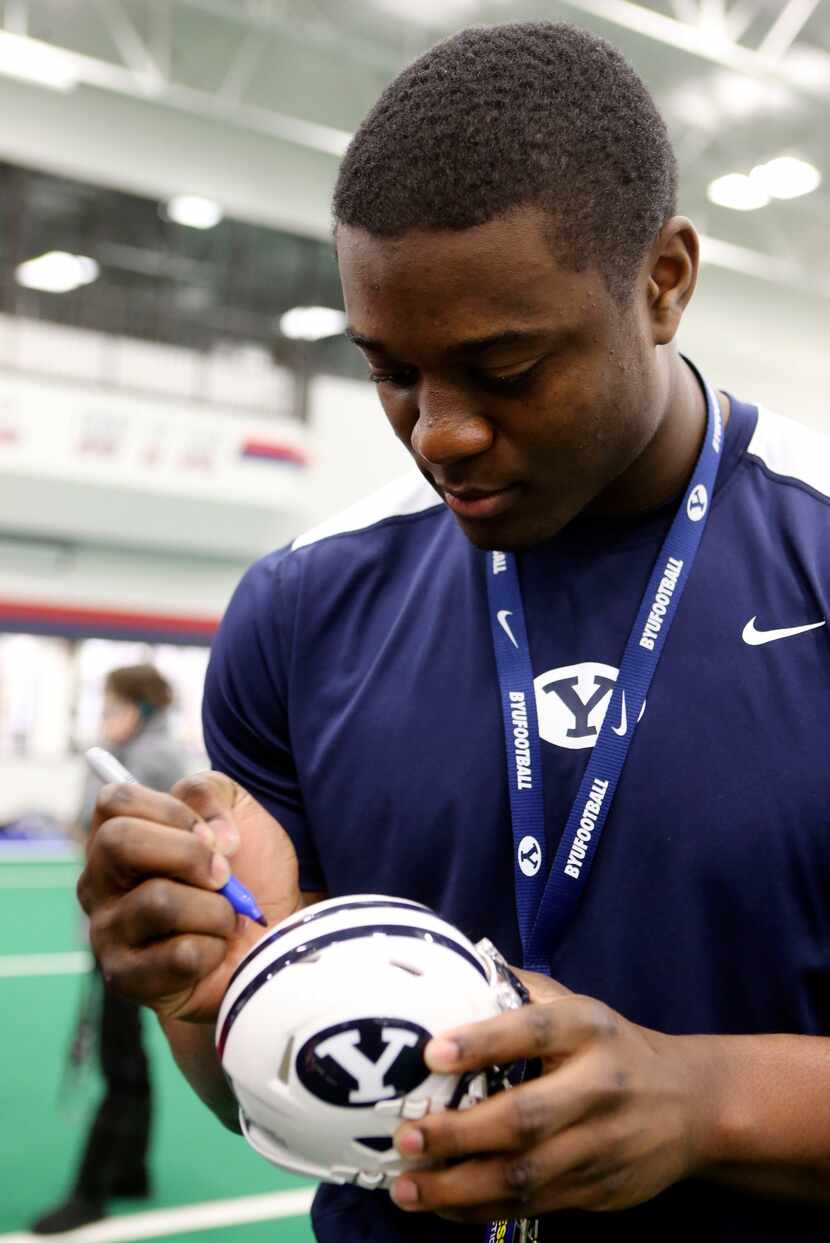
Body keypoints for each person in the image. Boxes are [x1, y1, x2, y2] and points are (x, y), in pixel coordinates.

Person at [77, 22, 830, 1243]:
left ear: (662, 281)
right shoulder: (303, 607)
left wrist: (707, 1102)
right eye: (390, 372)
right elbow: (258, 1084)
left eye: (506, 366)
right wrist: (208, 985)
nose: (438, 434)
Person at [33, 664, 190, 1235]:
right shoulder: (162, 756)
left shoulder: (139, 761)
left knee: (118, 1064)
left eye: (112, 705)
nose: (104, 717)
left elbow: (95, 832)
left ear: (140, 708)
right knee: (130, 1056)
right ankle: (133, 1170)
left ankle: (90, 1192)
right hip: (138, 929)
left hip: (127, 934)